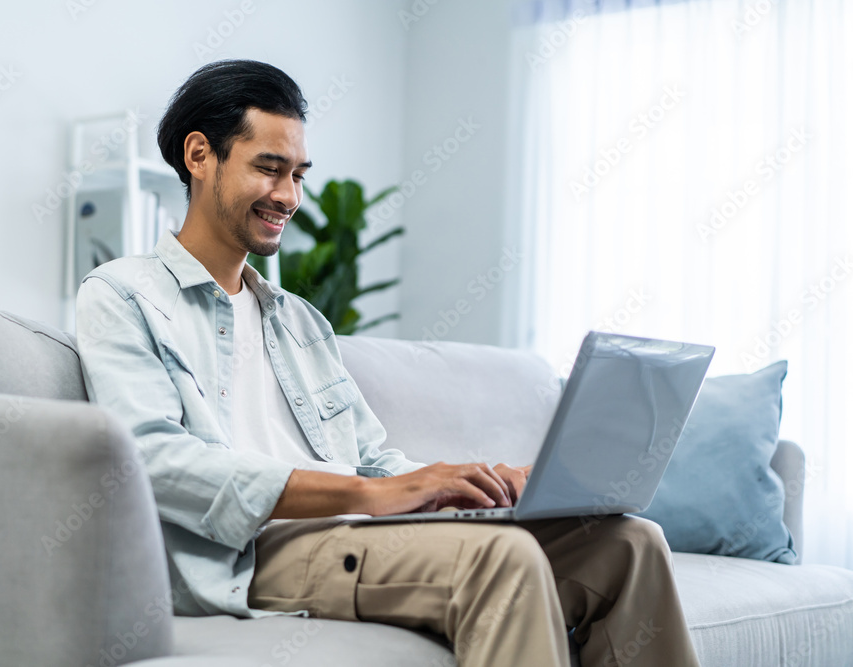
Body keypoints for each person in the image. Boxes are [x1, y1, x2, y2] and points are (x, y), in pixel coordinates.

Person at [75, 59, 701, 667]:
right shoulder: (123, 295)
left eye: (298, 174)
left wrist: (477, 484)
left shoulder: (298, 321)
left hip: (357, 534)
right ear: (199, 156)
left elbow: (375, 460)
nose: (288, 195)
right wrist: (371, 493)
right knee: (501, 561)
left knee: (629, 544)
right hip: (254, 555)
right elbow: (154, 462)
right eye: (269, 169)